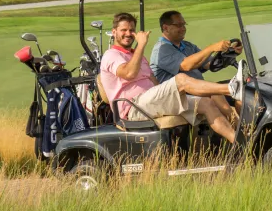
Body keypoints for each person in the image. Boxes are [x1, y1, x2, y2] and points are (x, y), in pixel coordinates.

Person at [99, 12, 244, 144]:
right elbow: (129, 73)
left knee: (206, 103)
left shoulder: (137, 56)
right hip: (133, 107)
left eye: (131, 30)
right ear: (114, 32)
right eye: (124, 30)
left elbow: (153, 81)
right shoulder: (111, 55)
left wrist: (229, 52)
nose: (128, 33)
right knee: (181, 78)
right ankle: (231, 89)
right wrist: (141, 44)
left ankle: (240, 144)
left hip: (150, 101)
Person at [150, 10, 242, 123]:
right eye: (179, 25)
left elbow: (209, 64)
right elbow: (185, 65)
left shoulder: (188, 46)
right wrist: (212, 48)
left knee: (243, 95)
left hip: (196, 89)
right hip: (177, 95)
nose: (183, 28)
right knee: (214, 92)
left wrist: (230, 54)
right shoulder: (161, 49)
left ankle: (252, 126)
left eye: (184, 25)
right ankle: (240, 127)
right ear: (165, 28)